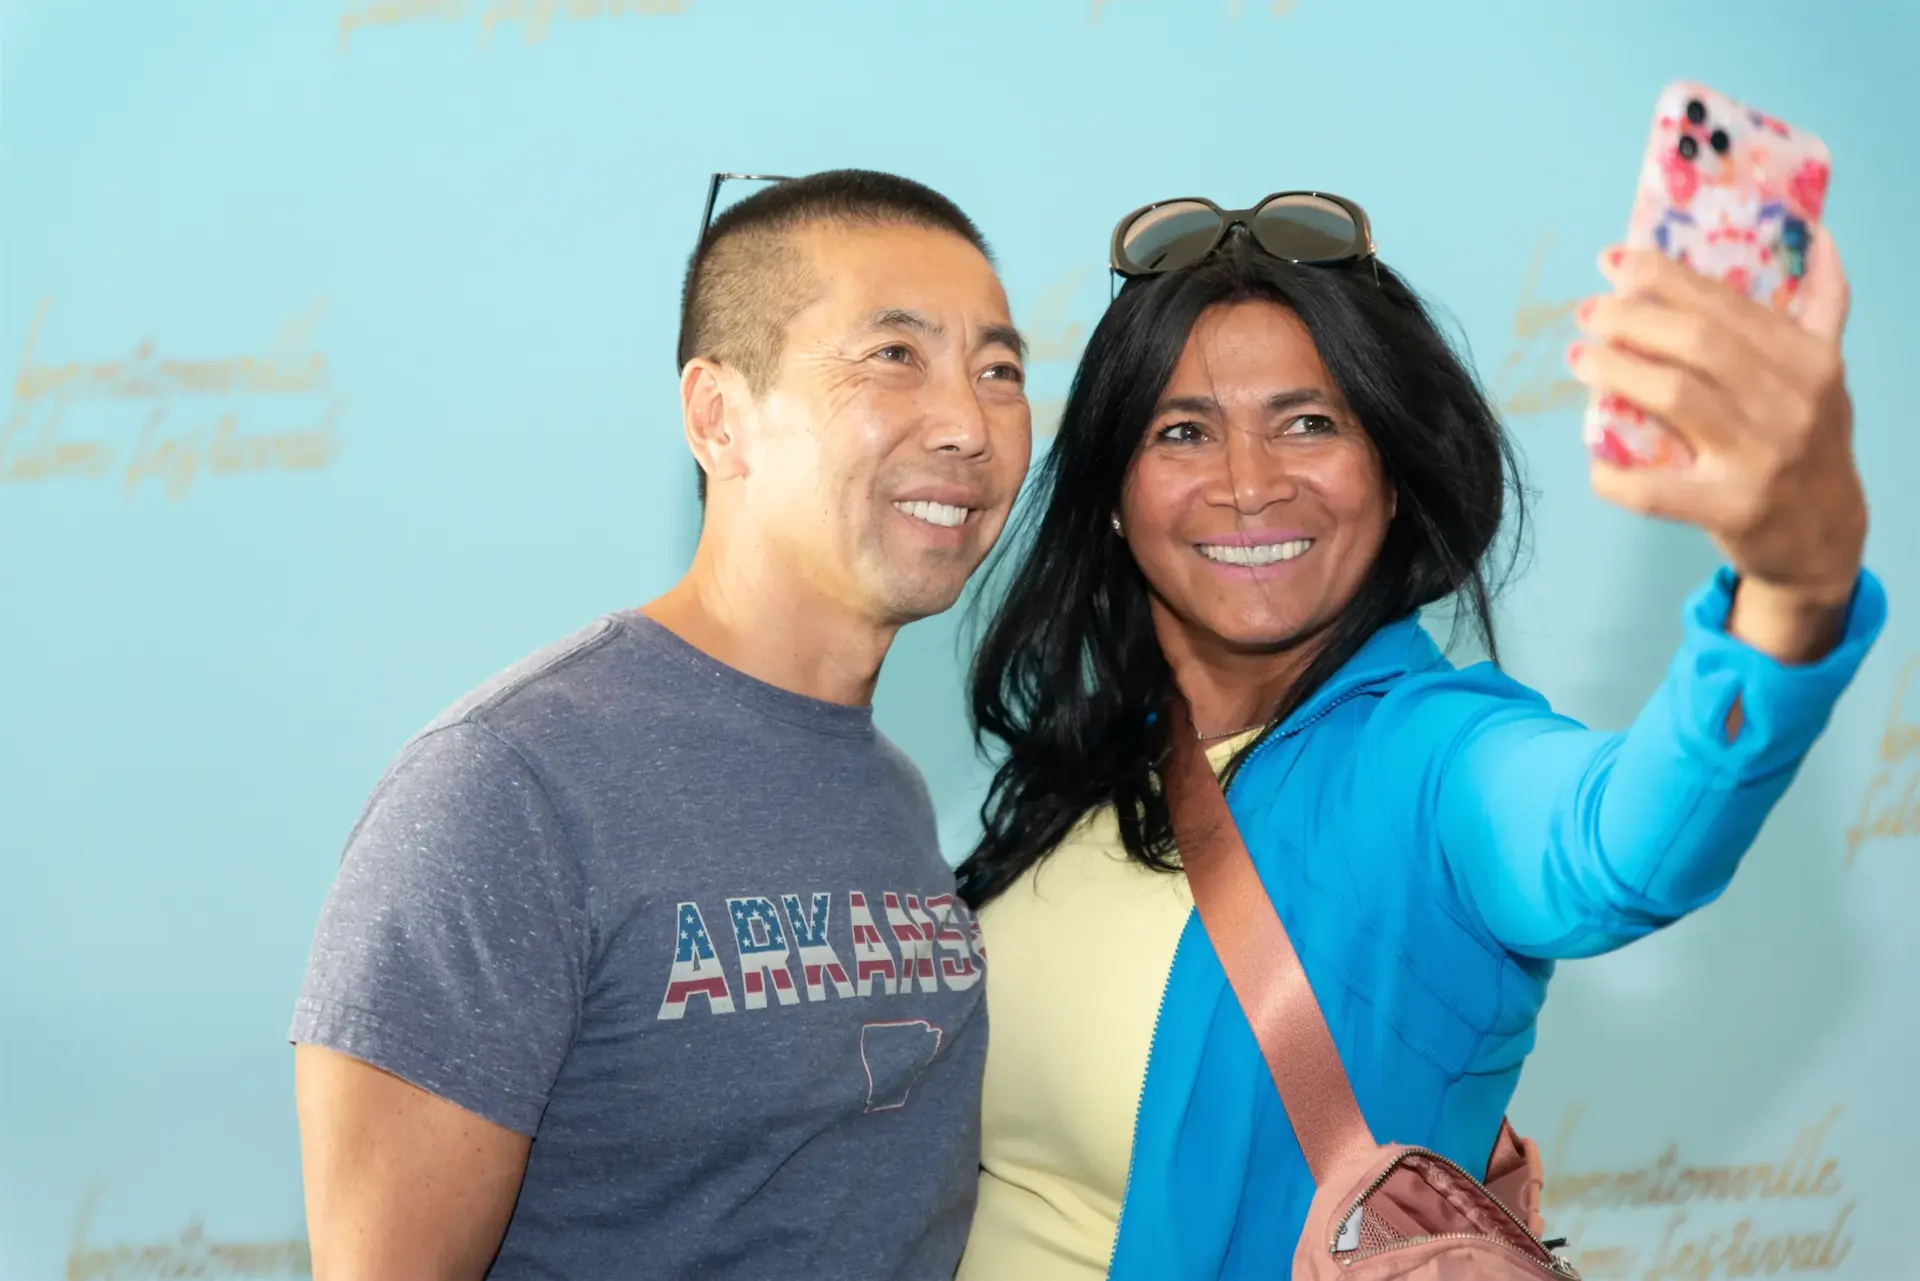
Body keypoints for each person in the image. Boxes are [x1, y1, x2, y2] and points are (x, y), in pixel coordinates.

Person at [952, 192, 1882, 1279]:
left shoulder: (1435, 761)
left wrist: (1792, 586)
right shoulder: (1085, 768)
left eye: (1311, 423)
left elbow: (1619, 842)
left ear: (1391, 475)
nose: (1250, 484)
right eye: (1182, 431)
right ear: (1115, 494)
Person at [290, 169, 1032, 1280]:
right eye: (894, 356)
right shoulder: (507, 789)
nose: (969, 424)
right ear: (717, 416)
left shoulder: (892, 789)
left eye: (1000, 370)